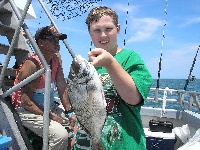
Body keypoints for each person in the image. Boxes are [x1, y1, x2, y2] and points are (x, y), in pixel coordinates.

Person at [74, 6, 152, 150]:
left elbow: (134, 98)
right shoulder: (88, 67)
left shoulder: (131, 59)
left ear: (118, 28)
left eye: (108, 29)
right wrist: (74, 134)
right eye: (97, 30)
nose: (103, 35)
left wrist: (110, 63)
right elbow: (81, 106)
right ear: (89, 33)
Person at [11, 26, 76, 150]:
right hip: (26, 109)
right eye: (53, 40)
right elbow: (25, 102)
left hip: (48, 107)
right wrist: (52, 116)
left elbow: (61, 85)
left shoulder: (56, 59)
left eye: (58, 40)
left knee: (77, 126)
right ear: (41, 43)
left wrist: (70, 112)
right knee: (60, 136)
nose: (57, 43)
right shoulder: (32, 65)